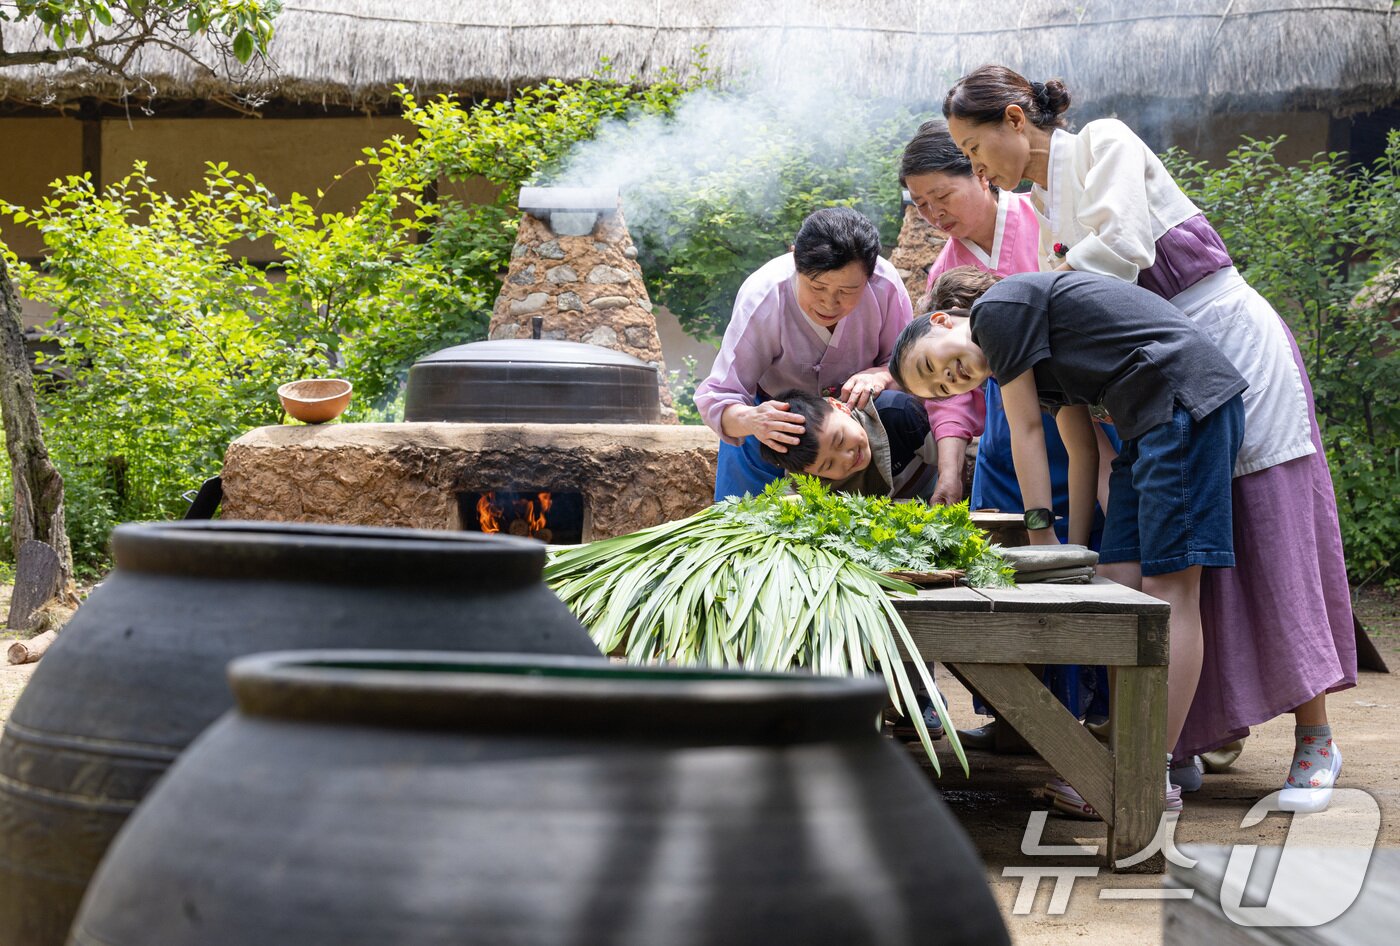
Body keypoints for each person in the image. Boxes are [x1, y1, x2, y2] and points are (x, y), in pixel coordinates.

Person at [941, 65, 1355, 813]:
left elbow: (1125, 252)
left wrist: (1048, 286)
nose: (975, 168)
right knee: (1173, 559)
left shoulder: (1103, 143)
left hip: (1223, 340)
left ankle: (1315, 739)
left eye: (975, 148)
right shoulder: (1040, 203)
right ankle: (1179, 741)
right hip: (1149, 387)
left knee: (1270, 534)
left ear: (1013, 117)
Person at [893, 270, 1250, 814]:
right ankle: (1125, 761)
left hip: (1180, 403)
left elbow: (1026, 434)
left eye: (933, 364)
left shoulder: (998, 311)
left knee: (1169, 590)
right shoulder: (1040, 358)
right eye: (942, 387)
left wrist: (1041, 538)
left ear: (942, 320)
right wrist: (1074, 553)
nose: (950, 376)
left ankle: (1147, 775)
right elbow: (1080, 450)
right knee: (1118, 583)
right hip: (1146, 422)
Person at [694, 207, 914, 502]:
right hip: (772, 422)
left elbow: (907, 365)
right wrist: (753, 420)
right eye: (817, 286)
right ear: (796, 258)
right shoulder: (764, 296)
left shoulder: (885, 286)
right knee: (747, 523)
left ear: (870, 275)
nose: (829, 303)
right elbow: (720, 396)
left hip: (850, 425)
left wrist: (882, 373)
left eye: (848, 291)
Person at [757, 389, 937, 498]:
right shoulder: (803, 482)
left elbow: (951, 466)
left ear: (840, 406)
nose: (847, 457)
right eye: (829, 465)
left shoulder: (898, 413)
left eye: (840, 439)